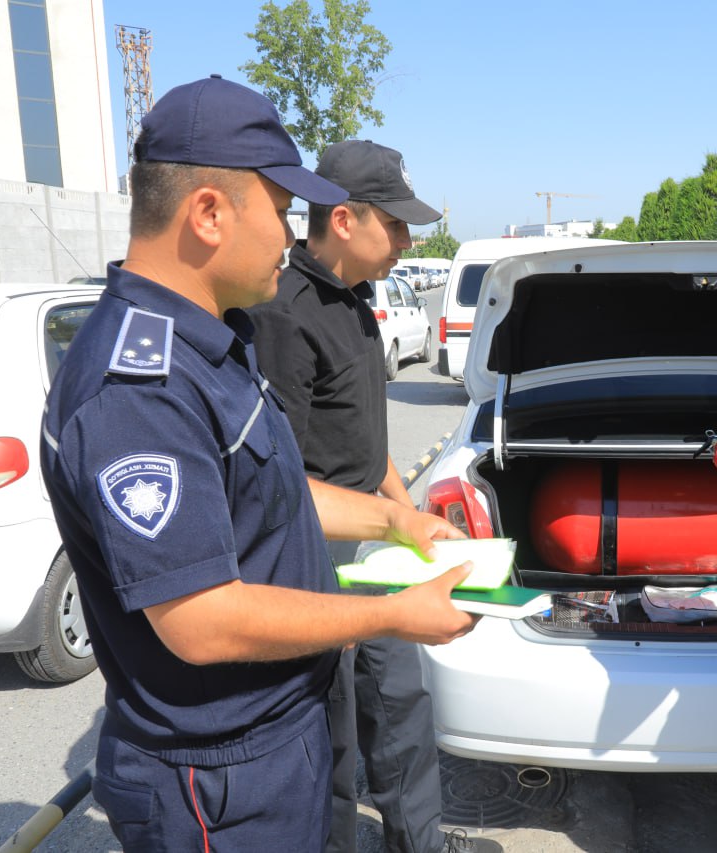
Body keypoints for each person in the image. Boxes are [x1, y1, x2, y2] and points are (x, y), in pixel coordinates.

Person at [38, 76, 478, 852]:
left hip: (272, 744)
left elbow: (270, 489)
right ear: (209, 213)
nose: (288, 234)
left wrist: (394, 519)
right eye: (279, 210)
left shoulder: (207, 342)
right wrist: (388, 613)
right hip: (218, 784)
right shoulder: (138, 388)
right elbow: (200, 620)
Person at [247, 140, 481, 853]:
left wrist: (405, 512)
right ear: (344, 220)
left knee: (402, 705)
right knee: (334, 731)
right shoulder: (284, 314)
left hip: (375, 535)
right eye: (397, 224)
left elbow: (364, 436)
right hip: (318, 550)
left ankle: (421, 844)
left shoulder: (354, 301)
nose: (408, 241)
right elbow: (276, 478)